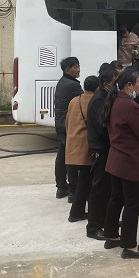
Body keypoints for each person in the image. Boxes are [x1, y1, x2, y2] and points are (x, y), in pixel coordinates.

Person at [101, 68, 139, 259]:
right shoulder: (131, 106)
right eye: (138, 83)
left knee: (116, 199)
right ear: (129, 85)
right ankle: (130, 246)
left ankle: (112, 236)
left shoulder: (115, 101)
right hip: (130, 162)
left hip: (116, 160)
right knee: (132, 204)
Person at [86, 67, 118, 241]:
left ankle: (106, 220)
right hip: (100, 150)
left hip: (107, 149)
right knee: (99, 189)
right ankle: (93, 227)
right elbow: (102, 128)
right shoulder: (99, 101)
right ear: (106, 84)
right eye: (115, 83)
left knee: (107, 188)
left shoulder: (105, 98)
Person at [65, 75, 100, 222]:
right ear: (97, 88)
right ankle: (77, 213)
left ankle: (78, 212)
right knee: (86, 180)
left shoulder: (74, 100)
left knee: (84, 180)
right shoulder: (95, 101)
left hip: (72, 145)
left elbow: (67, 122)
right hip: (86, 147)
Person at [54, 57, 83, 200]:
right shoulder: (73, 86)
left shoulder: (62, 82)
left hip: (60, 123)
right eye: (75, 67)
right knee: (71, 157)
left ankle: (61, 187)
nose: (78, 69)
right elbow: (84, 101)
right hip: (68, 125)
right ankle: (73, 191)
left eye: (78, 66)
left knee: (62, 155)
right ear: (67, 70)